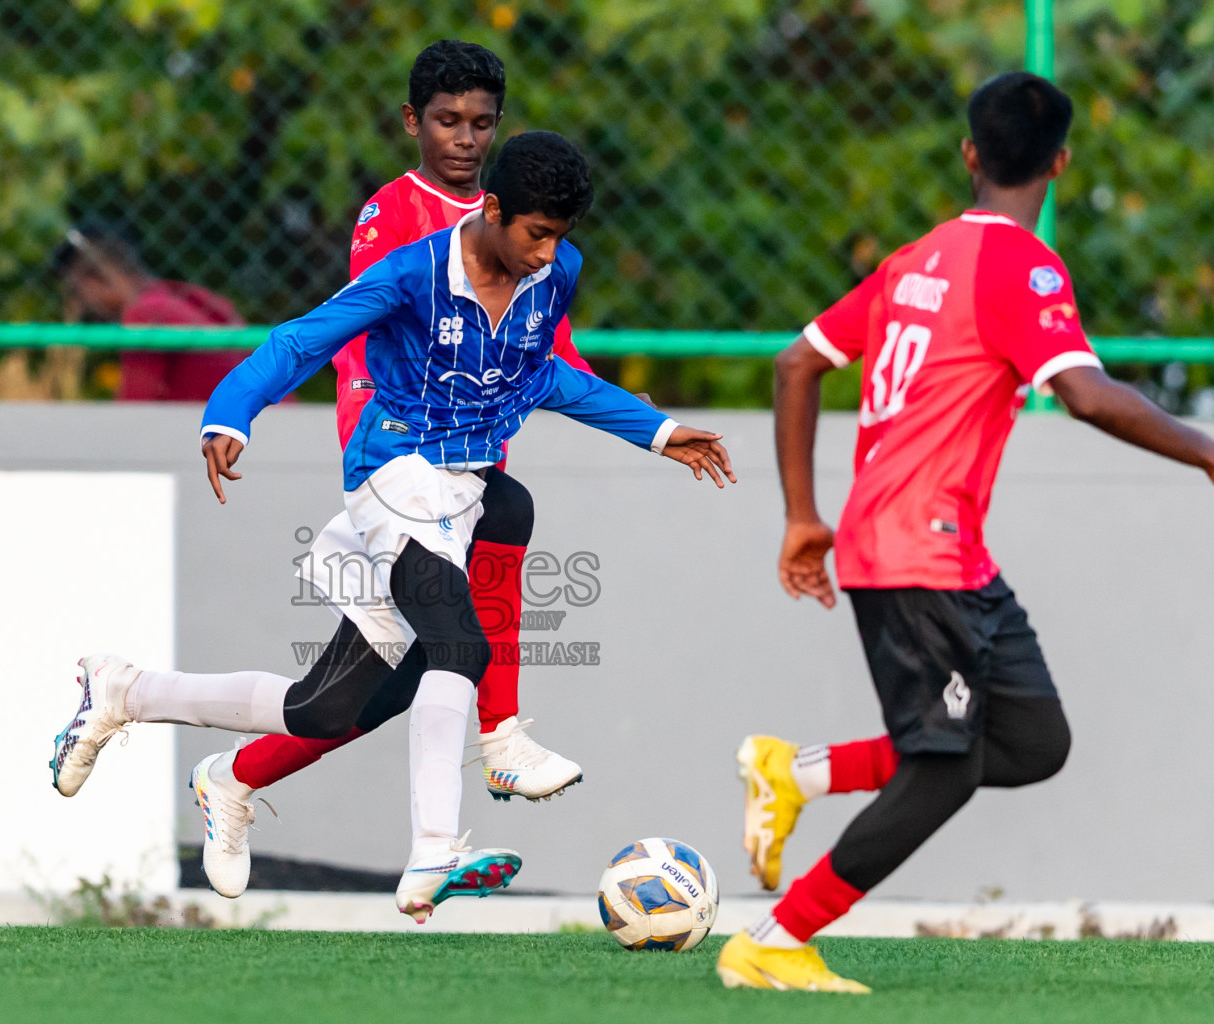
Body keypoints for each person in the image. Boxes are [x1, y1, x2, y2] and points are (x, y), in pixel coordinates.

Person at [51, 131, 736, 923]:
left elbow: (548, 375)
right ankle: (437, 848)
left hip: (462, 486)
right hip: (391, 477)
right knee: (460, 645)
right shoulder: (414, 275)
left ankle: (128, 696)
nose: (549, 254)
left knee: (322, 708)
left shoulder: (557, 274)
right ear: (494, 209)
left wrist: (657, 430)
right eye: (536, 234)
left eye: (561, 237)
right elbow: (305, 339)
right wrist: (230, 414)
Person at [716, 72, 1214, 993]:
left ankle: (799, 773)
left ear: (970, 155)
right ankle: (776, 939)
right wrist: (1207, 451)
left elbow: (797, 363)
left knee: (1032, 742)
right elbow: (1087, 395)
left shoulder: (914, 260)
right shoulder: (1021, 267)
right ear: (1061, 163)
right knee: (940, 769)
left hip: (943, 555)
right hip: (914, 555)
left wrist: (801, 517)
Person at [183, 40, 598, 903]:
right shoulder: (391, 216)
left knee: (352, 697)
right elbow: (355, 329)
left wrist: (644, 423)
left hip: (466, 470)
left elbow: (552, 352)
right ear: (414, 123)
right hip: (400, 471)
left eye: (481, 122)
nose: (465, 137)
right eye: (447, 120)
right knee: (478, 589)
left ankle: (215, 764)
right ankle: (492, 760)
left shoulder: (525, 230)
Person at [55, 224, 246, 401]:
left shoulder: (143, 313)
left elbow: (133, 409)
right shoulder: (179, 296)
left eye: (76, 290)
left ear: (97, 275)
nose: (80, 305)